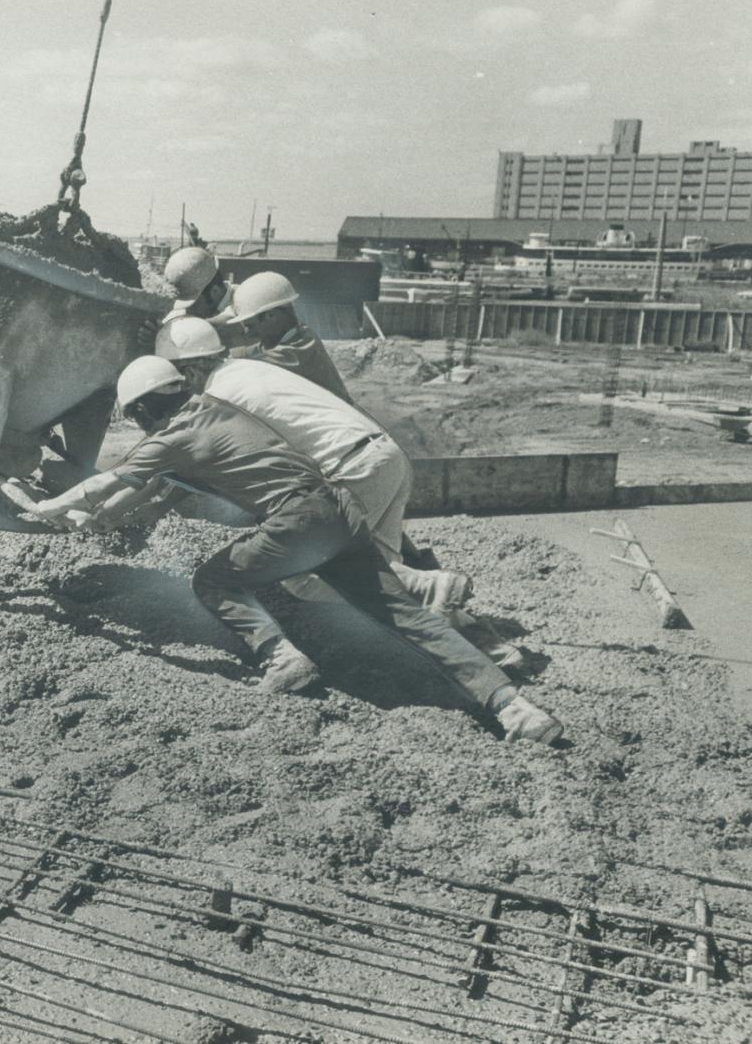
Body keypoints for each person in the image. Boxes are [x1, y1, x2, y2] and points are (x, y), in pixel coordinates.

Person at [28, 356, 562, 744]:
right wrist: (102, 510)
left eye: (137, 418)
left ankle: (283, 658)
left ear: (146, 409)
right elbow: (140, 485)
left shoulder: (174, 434)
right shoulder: (215, 407)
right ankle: (514, 708)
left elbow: (113, 481)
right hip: (339, 510)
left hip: (299, 520)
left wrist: (46, 510)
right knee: (407, 618)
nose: (141, 427)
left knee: (213, 580)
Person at [155, 316, 471, 613]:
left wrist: (149, 505)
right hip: (387, 457)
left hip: (352, 469)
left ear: (191, 370)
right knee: (384, 583)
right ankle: (491, 647)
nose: (181, 389)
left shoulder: (218, 395)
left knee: (302, 575)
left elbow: (189, 460)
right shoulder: (244, 368)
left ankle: (430, 583)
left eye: (177, 380)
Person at [226, 271, 352, 401]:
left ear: (271, 316)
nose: (248, 333)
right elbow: (259, 349)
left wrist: (222, 362)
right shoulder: (295, 335)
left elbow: (254, 363)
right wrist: (231, 354)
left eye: (250, 326)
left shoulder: (300, 349)